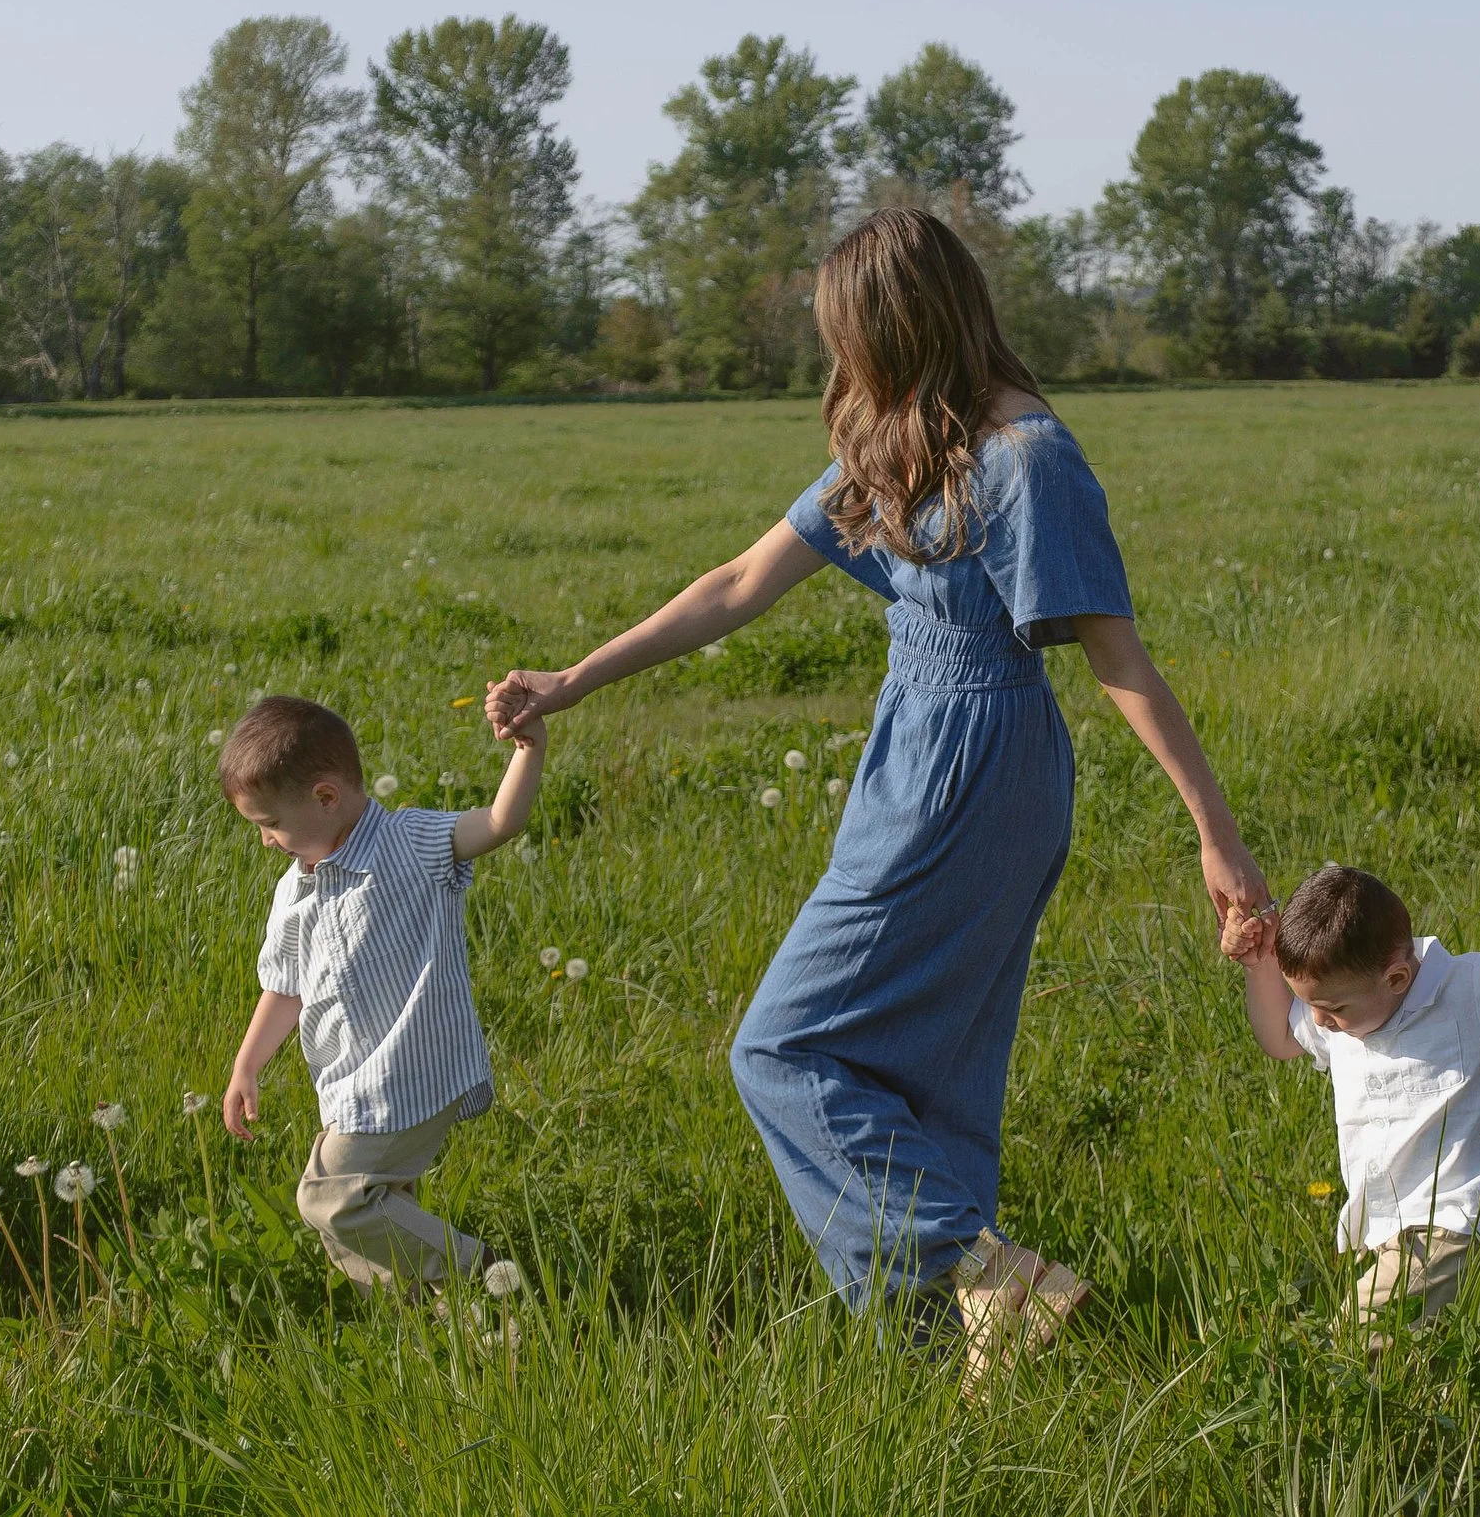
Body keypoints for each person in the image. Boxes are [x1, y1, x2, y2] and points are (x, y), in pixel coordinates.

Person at [483, 207, 1269, 1385]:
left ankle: (982, 1269)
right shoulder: (904, 441)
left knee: (780, 1050)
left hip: (976, 764)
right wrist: (574, 679)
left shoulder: (1025, 458)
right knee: (921, 1069)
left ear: (899, 324)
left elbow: (1118, 658)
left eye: (845, 334)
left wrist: (1217, 836)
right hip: (917, 748)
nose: (835, 360)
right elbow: (741, 581)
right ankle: (947, 1350)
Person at [218, 694, 545, 1294]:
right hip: (350, 1085)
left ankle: (480, 1272)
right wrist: (247, 1065)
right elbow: (283, 988)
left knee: (331, 1199)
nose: (266, 841)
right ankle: (443, 1319)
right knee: (374, 1214)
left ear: (324, 796)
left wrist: (528, 748)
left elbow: (499, 823)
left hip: (414, 1075)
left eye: (270, 824)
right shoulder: (295, 893)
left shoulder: (410, 843)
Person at [1220, 865, 1480, 1350]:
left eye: (1329, 1008)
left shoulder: (1466, 992)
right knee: (1447, 1366)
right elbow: (1279, 1038)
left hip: (1462, 1224)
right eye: (1309, 1005)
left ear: (1396, 977)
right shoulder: (1352, 1011)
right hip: (1394, 1231)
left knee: (1358, 1346)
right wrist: (1258, 964)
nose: (1319, 1022)